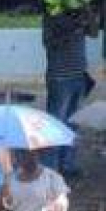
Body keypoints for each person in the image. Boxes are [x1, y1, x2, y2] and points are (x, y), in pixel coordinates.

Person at [42, 4, 98, 177]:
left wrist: (87, 13)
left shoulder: (81, 14)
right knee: (56, 122)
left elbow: (94, 33)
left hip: (79, 74)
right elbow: (50, 43)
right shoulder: (53, 15)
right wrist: (73, 27)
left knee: (73, 122)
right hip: (60, 77)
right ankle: (50, 168)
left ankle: (68, 164)